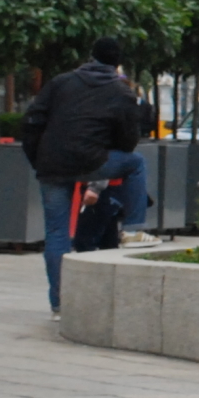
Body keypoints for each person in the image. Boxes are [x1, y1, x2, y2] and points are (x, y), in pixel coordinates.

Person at [21, 36, 154, 315]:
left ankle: (59, 303)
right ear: (118, 62)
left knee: (56, 234)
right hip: (93, 162)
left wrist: (38, 160)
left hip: (52, 166)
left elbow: (32, 120)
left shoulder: (60, 83)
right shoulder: (122, 92)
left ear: (90, 56)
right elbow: (129, 143)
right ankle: (133, 229)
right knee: (136, 163)